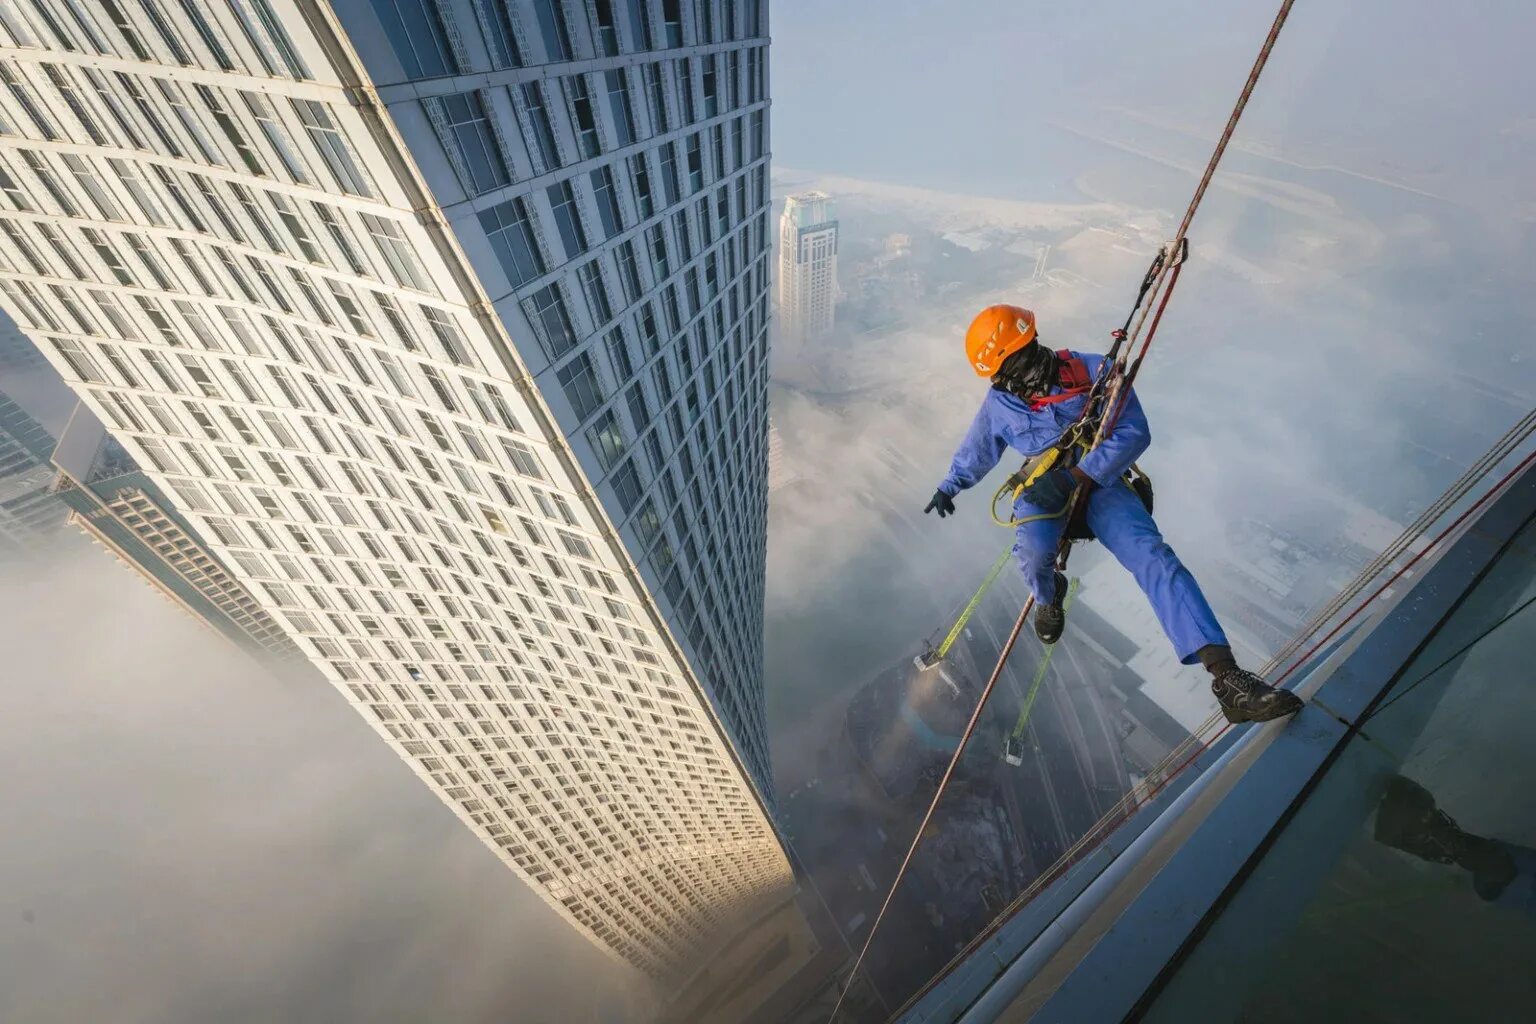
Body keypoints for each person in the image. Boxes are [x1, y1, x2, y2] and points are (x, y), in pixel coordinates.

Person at [923, 304, 1301, 725]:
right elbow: (979, 448)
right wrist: (950, 485)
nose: (1007, 382)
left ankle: (1227, 677)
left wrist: (1078, 476)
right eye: (1001, 374)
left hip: (1099, 482)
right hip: (1042, 488)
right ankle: (1049, 599)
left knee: (1154, 558)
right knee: (1032, 553)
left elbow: (1133, 431)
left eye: (1011, 365)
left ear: (1027, 349)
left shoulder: (1093, 373)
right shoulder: (1001, 403)